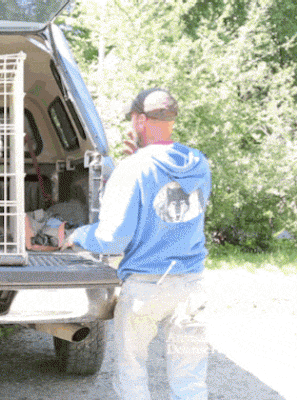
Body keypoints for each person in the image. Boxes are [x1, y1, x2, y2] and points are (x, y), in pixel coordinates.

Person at [63, 88, 211, 400]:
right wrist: (133, 164)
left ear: (140, 120)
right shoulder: (199, 163)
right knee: (190, 380)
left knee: (132, 372)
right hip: (192, 284)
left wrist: (76, 236)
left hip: (147, 284)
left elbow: (113, 239)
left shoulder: (134, 169)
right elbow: (174, 212)